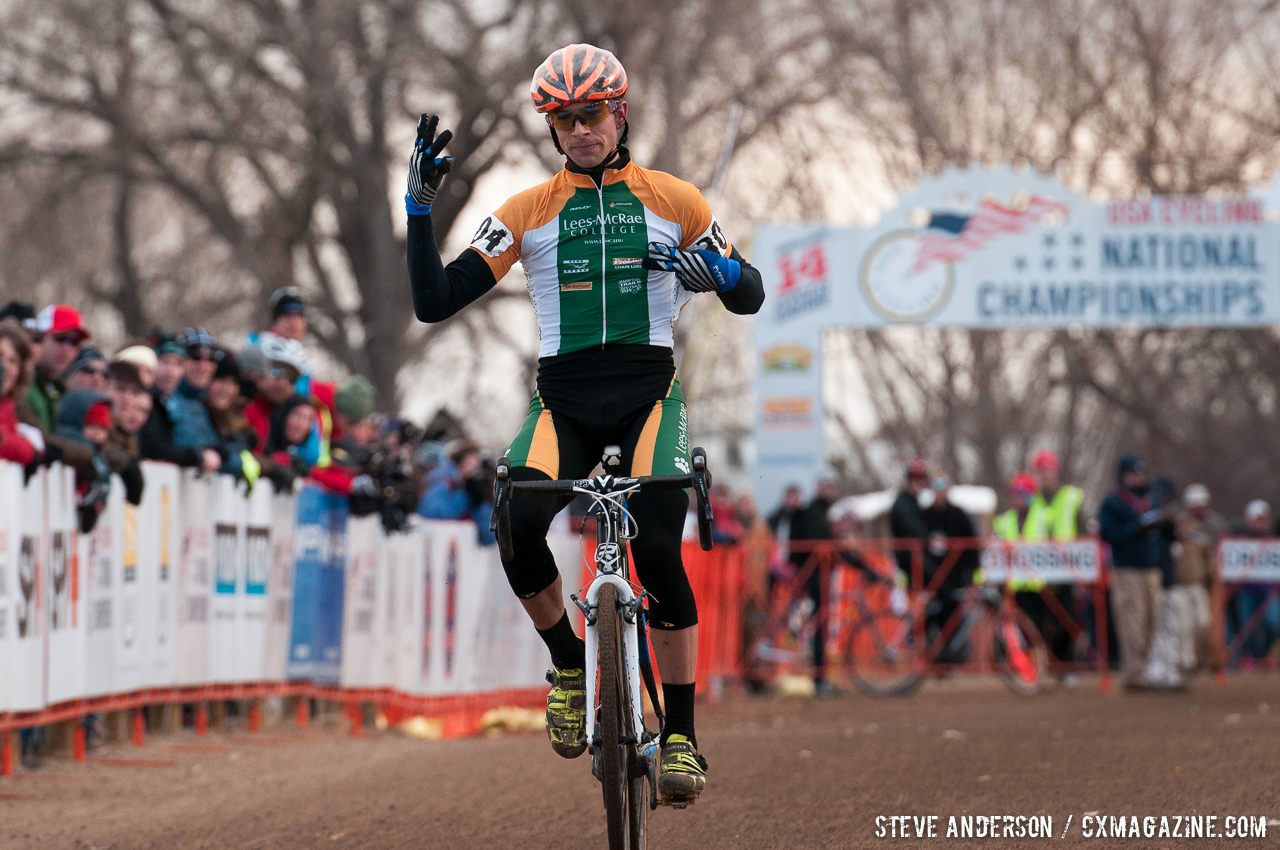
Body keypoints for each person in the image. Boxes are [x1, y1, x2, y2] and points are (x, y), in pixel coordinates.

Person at [403, 43, 764, 800]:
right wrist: (419, 213)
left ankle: (683, 739)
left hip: (649, 398)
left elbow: (751, 295)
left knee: (660, 547)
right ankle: (569, 664)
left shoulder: (676, 200)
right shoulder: (528, 210)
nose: (580, 131)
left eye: (591, 114)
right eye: (563, 119)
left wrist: (723, 274)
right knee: (516, 524)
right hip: (563, 401)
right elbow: (434, 302)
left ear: (620, 113)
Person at [1098, 453, 1175, 690]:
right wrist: (1136, 528)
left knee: (1153, 621)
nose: (1138, 478)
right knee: (1132, 623)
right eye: (1133, 474)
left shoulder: (1153, 498)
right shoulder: (1113, 502)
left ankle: (1150, 669)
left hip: (1152, 569)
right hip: (1127, 570)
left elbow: (1166, 536)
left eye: (1140, 473)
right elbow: (1108, 534)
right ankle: (1135, 675)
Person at [138, 335, 220, 472]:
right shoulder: (148, 401)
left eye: (178, 364)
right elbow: (154, 448)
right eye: (164, 362)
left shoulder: (166, 403)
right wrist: (198, 457)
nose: (171, 371)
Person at [923, 472, 979, 659]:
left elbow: (972, 545)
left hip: (955, 578)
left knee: (955, 618)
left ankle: (953, 658)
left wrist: (972, 574)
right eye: (936, 487)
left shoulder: (959, 515)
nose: (940, 492)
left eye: (943, 487)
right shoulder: (926, 515)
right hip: (932, 578)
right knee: (932, 619)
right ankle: (936, 657)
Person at [1228, 499, 1279, 664]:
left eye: (1263, 519)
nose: (1260, 523)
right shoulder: (1238, 538)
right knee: (1246, 627)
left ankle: (1264, 654)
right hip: (1245, 590)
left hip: (1269, 590)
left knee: (1274, 622)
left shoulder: (1274, 539)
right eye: (1256, 519)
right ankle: (1251, 657)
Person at [169, 328, 222, 454]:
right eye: (196, 357)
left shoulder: (202, 401)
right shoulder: (170, 398)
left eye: (211, 359)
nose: (203, 366)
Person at [0, 318, 40, 467]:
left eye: (13, 361)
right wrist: (27, 447)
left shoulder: (9, 406)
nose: (4, 367)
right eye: (0, 356)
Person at [889, 459, 931, 584]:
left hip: (916, 556)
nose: (917, 483)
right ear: (908, 480)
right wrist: (928, 537)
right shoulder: (902, 504)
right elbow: (914, 528)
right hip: (906, 559)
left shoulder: (915, 503)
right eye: (914, 479)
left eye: (920, 479)